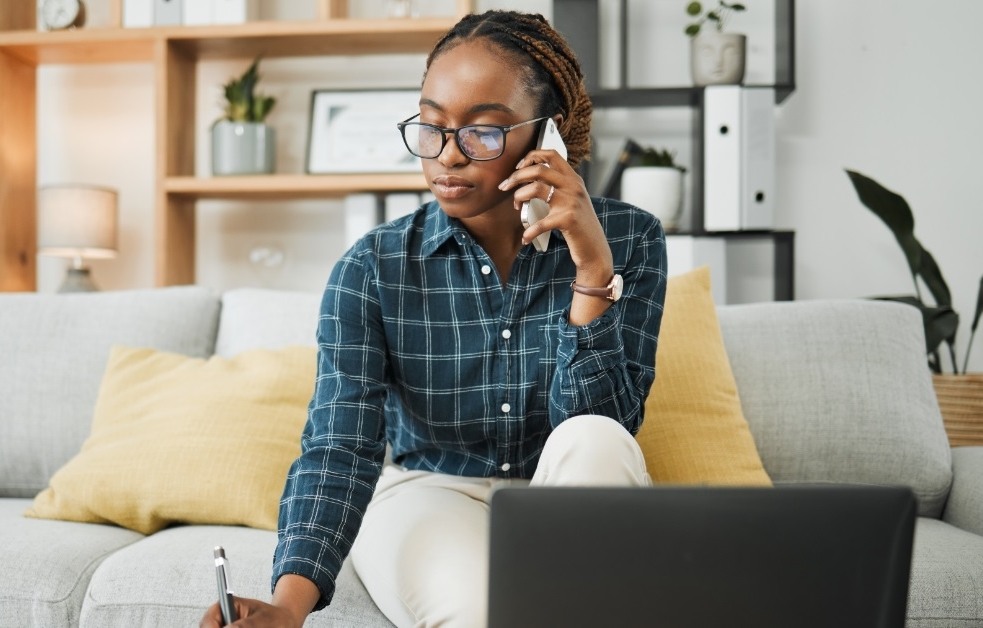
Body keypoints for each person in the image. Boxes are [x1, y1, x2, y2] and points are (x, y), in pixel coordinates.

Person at [201, 9, 666, 628]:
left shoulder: (630, 238)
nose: (448, 156)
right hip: (428, 491)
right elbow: (341, 446)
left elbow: (606, 423)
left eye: (483, 131)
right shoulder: (371, 267)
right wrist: (288, 607)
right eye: (431, 125)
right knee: (482, 612)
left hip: (566, 488)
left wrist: (590, 269)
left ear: (546, 136)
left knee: (597, 438)